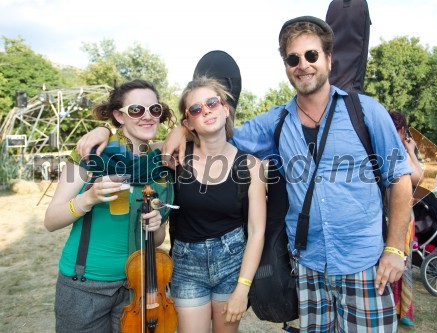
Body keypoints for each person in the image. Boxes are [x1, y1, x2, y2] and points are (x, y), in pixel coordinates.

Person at [78, 16, 413, 332]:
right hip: (309, 267)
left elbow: (400, 178)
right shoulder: (277, 122)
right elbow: (218, 133)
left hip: (364, 264)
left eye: (311, 54)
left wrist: (395, 248)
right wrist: (141, 132)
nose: (302, 64)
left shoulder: (365, 111)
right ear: (286, 67)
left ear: (328, 58)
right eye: (292, 59)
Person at [44, 79, 175, 333]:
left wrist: (157, 225)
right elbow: (51, 220)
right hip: (85, 285)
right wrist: (88, 199)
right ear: (119, 115)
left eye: (154, 109)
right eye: (136, 110)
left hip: (136, 286)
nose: (147, 116)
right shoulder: (90, 154)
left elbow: (156, 239)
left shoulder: (160, 165)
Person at [168, 77, 266, 333]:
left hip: (232, 263)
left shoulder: (252, 166)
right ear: (188, 122)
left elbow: (257, 232)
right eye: (196, 109)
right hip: (186, 264)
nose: (207, 110)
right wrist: (104, 131)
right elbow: (133, 150)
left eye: (212, 102)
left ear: (225, 109)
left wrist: (243, 288)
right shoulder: (175, 159)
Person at [388, 110, 422, 326]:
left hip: (390, 214)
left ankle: (393, 307)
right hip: (400, 216)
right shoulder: (397, 147)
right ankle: (401, 309)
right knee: (401, 261)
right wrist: (410, 148)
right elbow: (418, 175)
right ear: (402, 130)